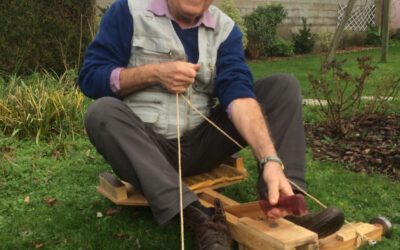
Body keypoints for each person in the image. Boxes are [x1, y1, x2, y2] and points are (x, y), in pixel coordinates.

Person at [79, 0, 344, 249]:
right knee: (101, 112)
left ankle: (285, 200)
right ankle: (201, 219)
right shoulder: (128, 11)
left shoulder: (225, 29)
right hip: (146, 149)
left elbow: (238, 94)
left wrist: (270, 159)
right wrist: (153, 74)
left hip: (204, 144)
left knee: (282, 87)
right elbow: (91, 77)